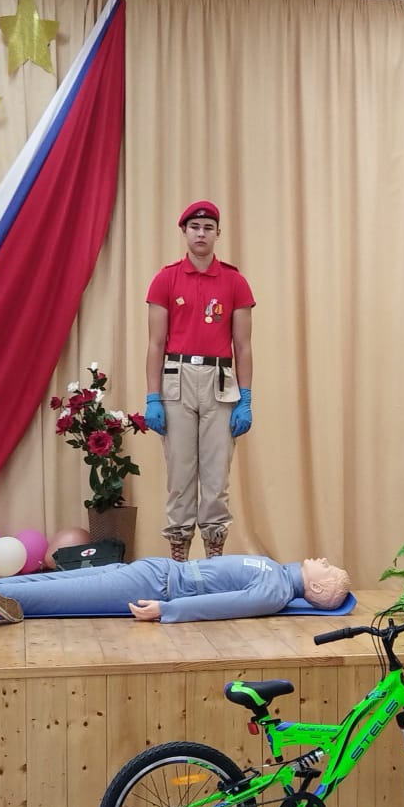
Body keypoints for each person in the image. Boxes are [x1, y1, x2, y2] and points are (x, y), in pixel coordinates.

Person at [144, 200, 255, 562]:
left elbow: (243, 346)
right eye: (195, 227)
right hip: (176, 379)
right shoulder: (166, 279)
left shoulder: (234, 282)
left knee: (216, 478)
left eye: (208, 228)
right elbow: (155, 343)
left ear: (218, 233)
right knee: (180, 476)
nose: (201, 234)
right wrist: (152, 397)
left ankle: (214, 562)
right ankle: (179, 561)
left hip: (219, 382)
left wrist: (245, 398)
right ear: (184, 232)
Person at [0, 555, 351, 624]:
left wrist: (167, 611)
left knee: (60, 596)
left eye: (328, 568)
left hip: (158, 585)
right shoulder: (275, 570)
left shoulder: (275, 590)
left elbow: (224, 605)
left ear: (316, 586)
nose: (323, 559)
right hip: (156, 568)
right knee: (56, 578)